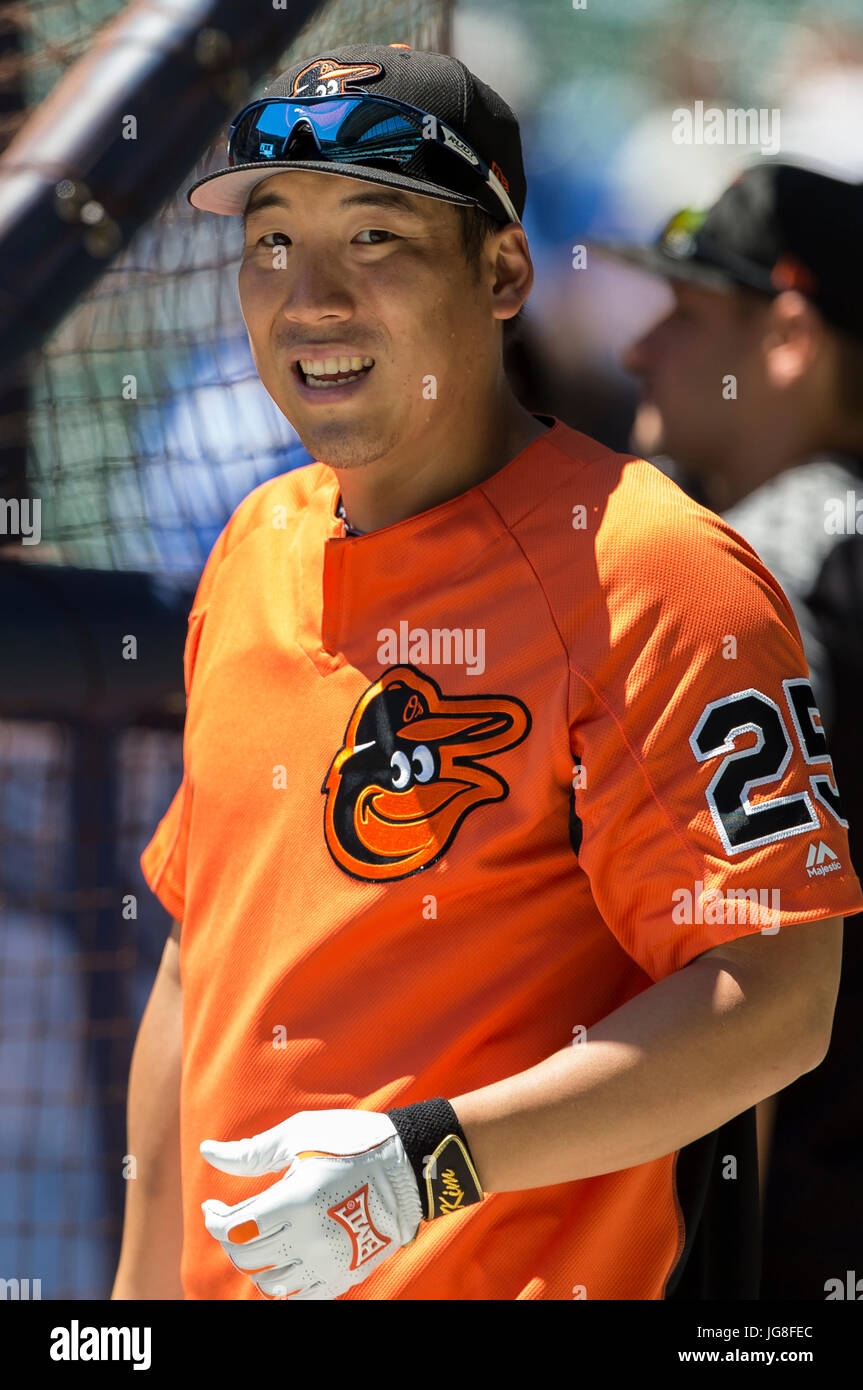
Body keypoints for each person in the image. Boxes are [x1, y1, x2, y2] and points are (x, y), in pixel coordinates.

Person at [112, 46, 862, 1302]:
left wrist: (431, 1163)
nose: (311, 298)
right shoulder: (252, 544)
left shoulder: (655, 567)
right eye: (272, 240)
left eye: (377, 236)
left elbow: (779, 997)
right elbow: (199, 962)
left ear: (503, 270)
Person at [606, 160, 863, 1299]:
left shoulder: (756, 570)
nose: (636, 348)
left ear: (788, 340)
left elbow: (746, 976)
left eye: (686, 310)